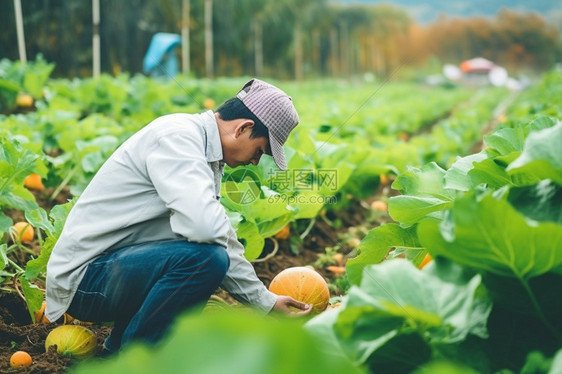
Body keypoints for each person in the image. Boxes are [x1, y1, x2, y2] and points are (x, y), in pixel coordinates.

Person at [45, 78, 312, 354]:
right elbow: (206, 230)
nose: (255, 161)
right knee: (205, 260)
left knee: (206, 256)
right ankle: (137, 357)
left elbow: (219, 238)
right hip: (86, 281)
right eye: (260, 151)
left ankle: (118, 350)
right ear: (243, 128)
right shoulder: (178, 138)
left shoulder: (204, 153)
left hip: (113, 269)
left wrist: (266, 302)